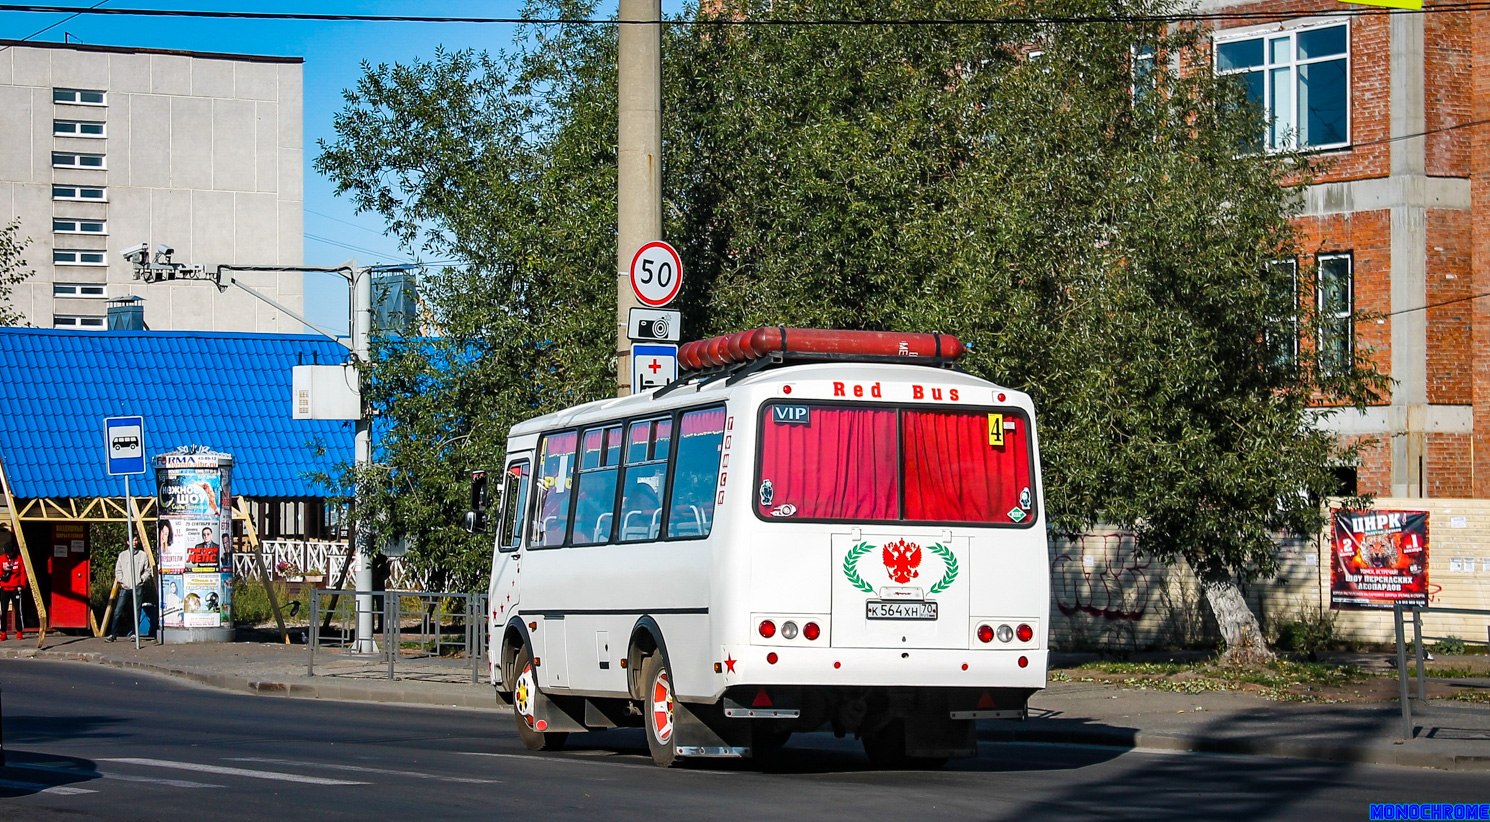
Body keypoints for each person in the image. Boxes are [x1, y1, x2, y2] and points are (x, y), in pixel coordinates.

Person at [107, 541, 154, 642]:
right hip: (126, 587)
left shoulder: (142, 555)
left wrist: (142, 579)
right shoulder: (123, 555)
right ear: (128, 542)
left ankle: (134, 633)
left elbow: (148, 570)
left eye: (136, 540)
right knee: (117, 611)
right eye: (133, 540)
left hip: (137, 587)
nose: (135, 542)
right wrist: (122, 581)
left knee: (136, 611)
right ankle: (113, 634)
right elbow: (118, 570)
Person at [0, 526, 28, 641]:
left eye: (10, 553)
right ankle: (3, 633)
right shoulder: (1, 559)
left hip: (15, 588)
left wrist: (21, 586)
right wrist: (3, 570)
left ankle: (19, 631)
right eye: (8, 553)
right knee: (4, 610)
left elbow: (23, 573)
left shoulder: (18, 559)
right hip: (4, 588)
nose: (9, 555)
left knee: (18, 610)